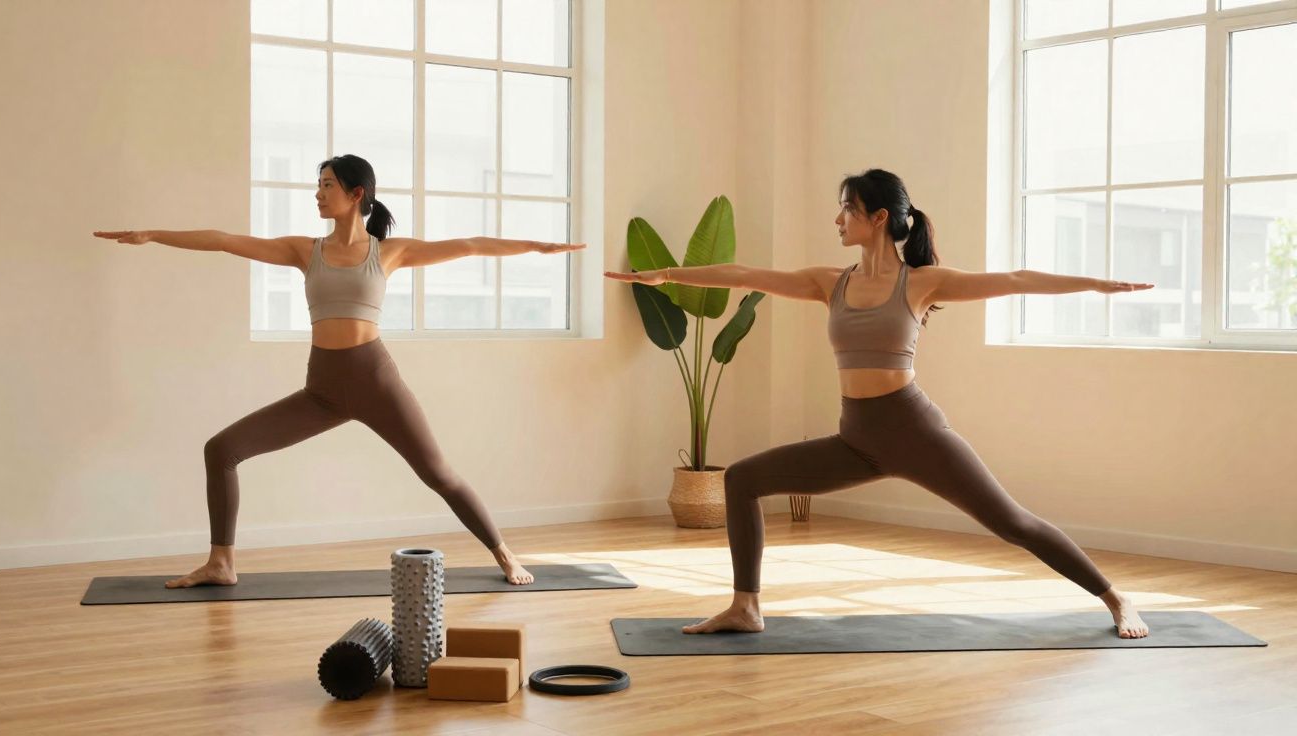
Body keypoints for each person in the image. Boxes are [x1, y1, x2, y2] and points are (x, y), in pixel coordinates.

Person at [606, 168, 1153, 639]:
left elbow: (1014, 280)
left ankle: (1114, 598)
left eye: (848, 209)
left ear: (880, 219)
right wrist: (668, 275)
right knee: (742, 479)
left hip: (917, 433)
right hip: (856, 440)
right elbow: (748, 274)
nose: (839, 219)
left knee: (1013, 523)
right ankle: (746, 607)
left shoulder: (922, 283)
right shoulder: (829, 282)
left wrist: (1096, 284)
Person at [94, 154, 583, 588]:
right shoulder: (303, 250)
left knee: (439, 474)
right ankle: (221, 562)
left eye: (327, 184)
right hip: (323, 389)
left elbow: (472, 245)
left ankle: (503, 551)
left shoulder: (389, 252)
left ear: (356, 194)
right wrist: (153, 234)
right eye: (318, 185)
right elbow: (225, 241)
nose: (318, 193)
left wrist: (537, 248)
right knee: (221, 450)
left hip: (375, 382)